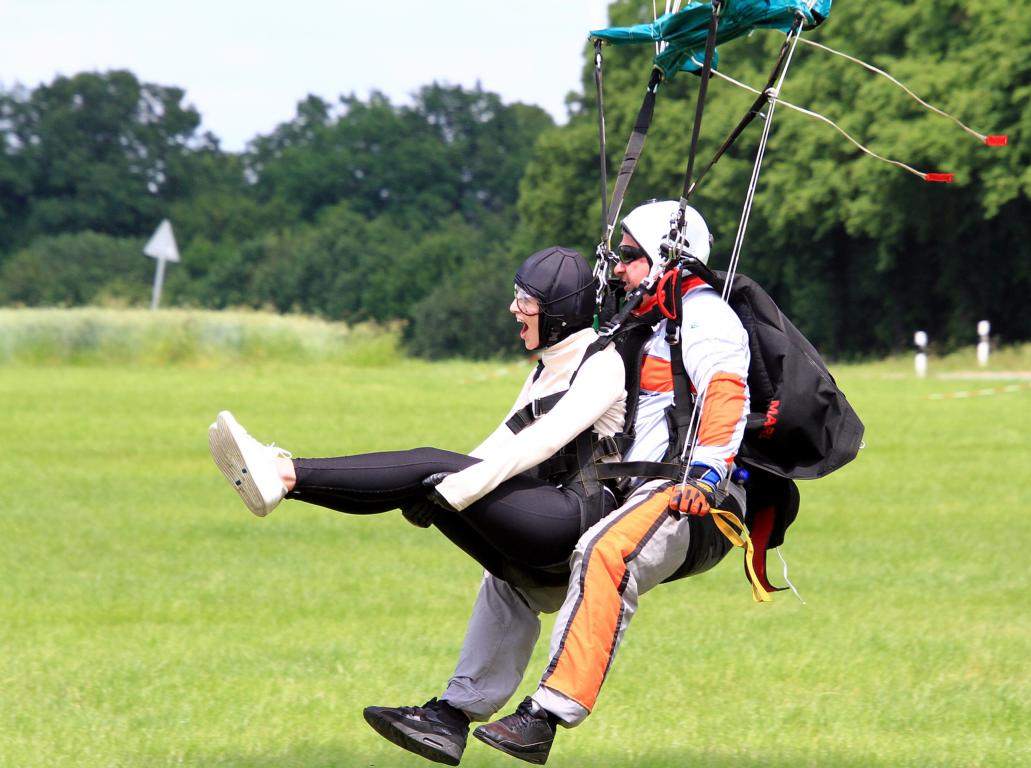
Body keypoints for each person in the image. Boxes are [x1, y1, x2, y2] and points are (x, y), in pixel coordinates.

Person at [368, 200, 752, 766]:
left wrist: (708, 470)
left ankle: (545, 716)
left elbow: (725, 390)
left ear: (668, 259)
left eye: (630, 256)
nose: (618, 267)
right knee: (515, 570)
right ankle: (451, 716)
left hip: (694, 494)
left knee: (605, 551)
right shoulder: (646, 324)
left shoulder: (704, 316)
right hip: (634, 492)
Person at [208, 245, 627, 595]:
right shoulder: (545, 369)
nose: (513, 308)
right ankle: (284, 487)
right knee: (422, 478)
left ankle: (283, 473)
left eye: (525, 300)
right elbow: (502, 440)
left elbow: (542, 442)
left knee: (432, 463)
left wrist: (458, 486)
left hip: (576, 520)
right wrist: (433, 491)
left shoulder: (602, 364)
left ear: (556, 312)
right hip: (540, 520)